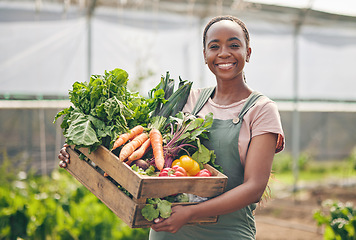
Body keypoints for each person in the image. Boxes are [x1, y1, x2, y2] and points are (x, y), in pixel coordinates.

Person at [58, 15, 284, 240]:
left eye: (234, 45)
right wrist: (82, 155)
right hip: (168, 229)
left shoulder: (261, 110)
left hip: (227, 232)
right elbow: (143, 151)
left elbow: (254, 188)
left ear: (249, 53)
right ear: (205, 55)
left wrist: (190, 212)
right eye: (214, 46)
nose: (224, 53)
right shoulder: (190, 101)